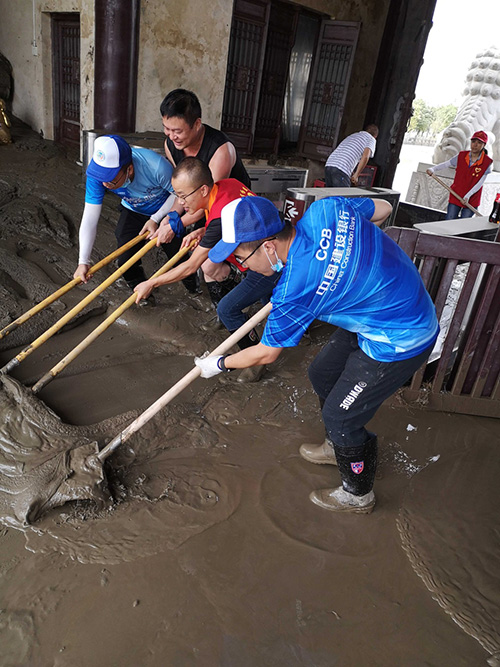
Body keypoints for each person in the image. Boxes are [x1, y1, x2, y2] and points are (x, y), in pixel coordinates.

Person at [194, 196, 439, 513]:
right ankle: (337, 444)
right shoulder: (327, 209)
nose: (242, 268)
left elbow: (267, 353)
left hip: (402, 336)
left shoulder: (295, 289)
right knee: (321, 373)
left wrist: (218, 364)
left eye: (241, 259)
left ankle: (358, 495)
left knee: (341, 415)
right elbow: (384, 209)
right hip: (384, 305)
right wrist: (350, 257)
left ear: (269, 247)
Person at [133, 158, 281, 382]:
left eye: (183, 195)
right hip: (266, 250)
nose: (181, 203)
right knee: (265, 300)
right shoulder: (228, 185)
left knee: (228, 309)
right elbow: (237, 220)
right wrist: (203, 231)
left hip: (266, 263)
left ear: (203, 189)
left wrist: (152, 283)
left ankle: (254, 358)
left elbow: (190, 267)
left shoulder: (219, 215)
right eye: (177, 195)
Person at [74, 135, 198, 300]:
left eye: (110, 180)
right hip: (133, 209)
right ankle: (142, 293)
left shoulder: (156, 166)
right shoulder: (98, 175)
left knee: (178, 254)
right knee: (125, 260)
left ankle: (194, 290)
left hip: (166, 211)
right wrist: (83, 261)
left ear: (129, 169)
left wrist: (156, 219)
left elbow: (179, 196)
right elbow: (90, 217)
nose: (104, 184)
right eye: (102, 178)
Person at [151, 89, 251, 246]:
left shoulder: (220, 151)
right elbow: (185, 188)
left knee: (206, 260)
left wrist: (176, 225)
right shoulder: (170, 145)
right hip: (201, 205)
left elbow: (209, 198)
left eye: (177, 131)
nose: (171, 136)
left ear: (197, 124)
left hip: (234, 210)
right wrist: (171, 217)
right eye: (166, 129)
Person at [426, 130, 492, 220]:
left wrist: (468, 195)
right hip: (456, 193)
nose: (475, 145)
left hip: (472, 199)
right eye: (473, 142)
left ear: (484, 145)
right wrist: (433, 169)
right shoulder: (462, 156)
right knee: (450, 219)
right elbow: (447, 164)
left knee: (463, 224)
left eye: (479, 143)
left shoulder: (487, 162)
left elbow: (480, 183)